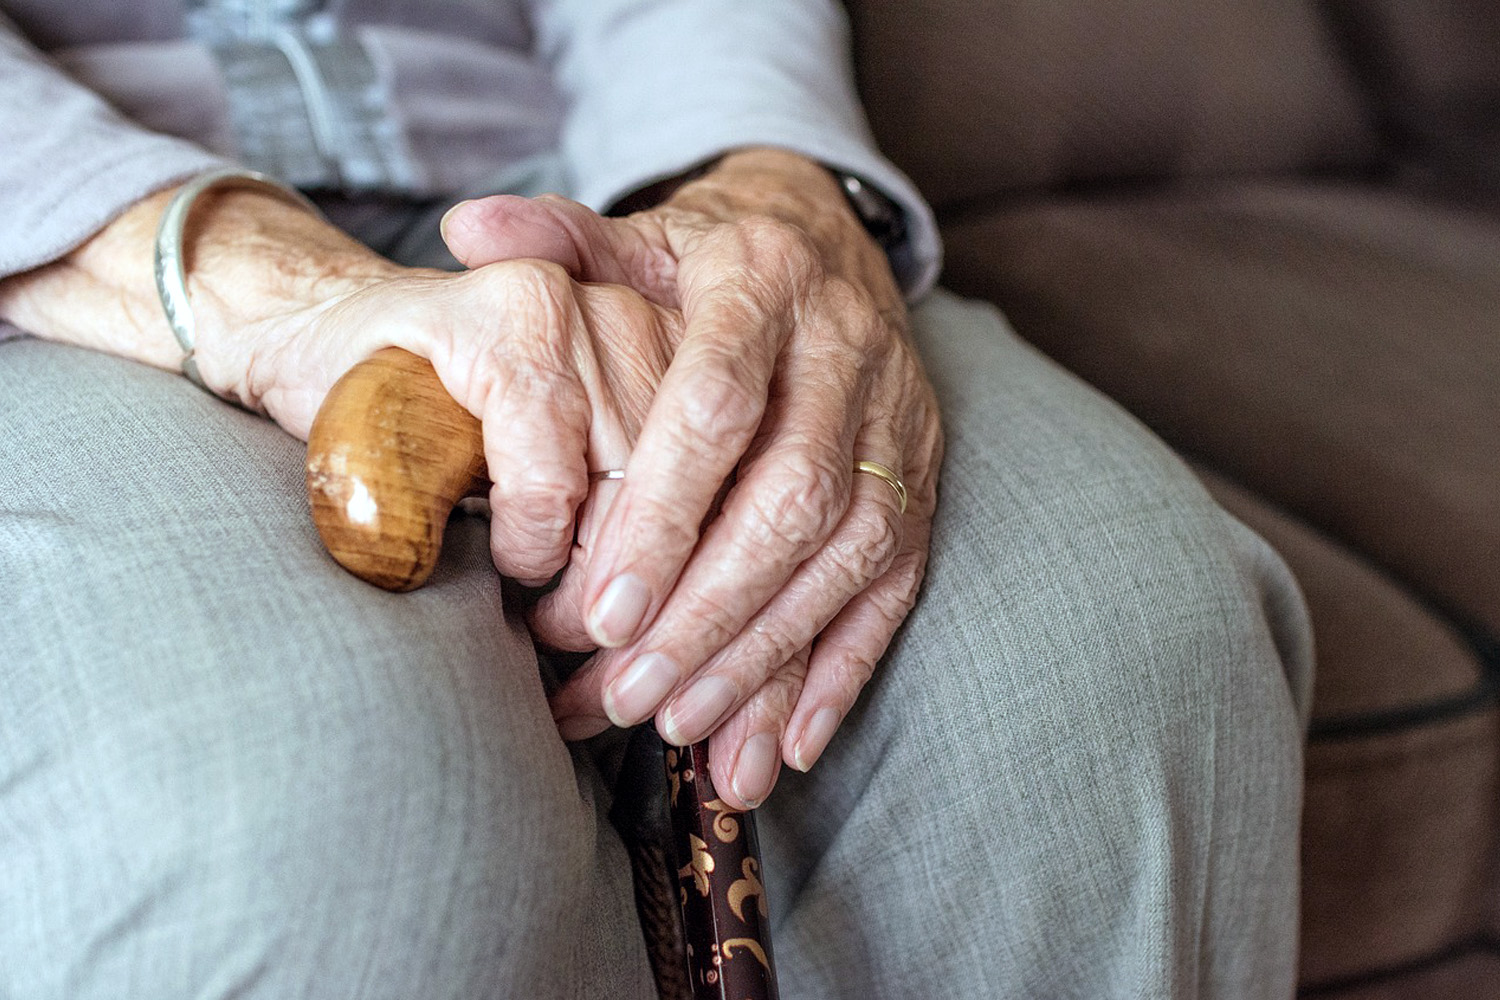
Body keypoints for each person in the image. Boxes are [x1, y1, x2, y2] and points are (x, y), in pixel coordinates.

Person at [0, 1, 1313, 997]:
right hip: (61, 246)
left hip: (580, 191)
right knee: (311, 814)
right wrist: (252, 284)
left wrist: (769, 187)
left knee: (1119, 653)